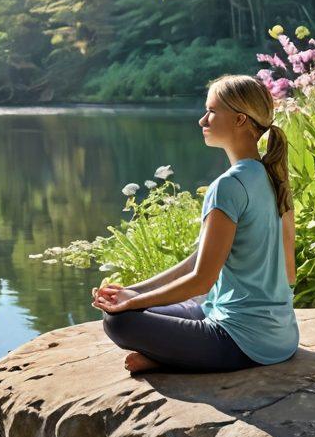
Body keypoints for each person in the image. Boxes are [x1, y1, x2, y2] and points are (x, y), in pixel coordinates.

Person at [92, 74, 299, 374]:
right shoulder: (274, 178)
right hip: (282, 338)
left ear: (240, 119)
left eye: (212, 111)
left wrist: (130, 306)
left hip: (240, 341)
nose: (203, 120)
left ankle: (170, 358)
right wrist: (133, 292)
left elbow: (202, 280)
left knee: (118, 321)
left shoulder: (228, 186)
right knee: (132, 304)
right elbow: (287, 272)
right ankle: (172, 354)